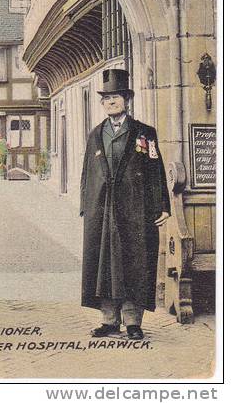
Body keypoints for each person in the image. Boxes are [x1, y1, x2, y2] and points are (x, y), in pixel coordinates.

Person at [79, 68, 170, 340]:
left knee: (134, 262)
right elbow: (87, 172)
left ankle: (133, 322)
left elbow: (156, 170)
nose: (111, 102)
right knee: (104, 264)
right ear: (102, 103)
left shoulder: (145, 133)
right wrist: (86, 204)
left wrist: (162, 205)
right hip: (103, 211)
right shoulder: (95, 134)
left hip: (135, 211)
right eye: (106, 98)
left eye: (116, 97)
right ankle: (108, 320)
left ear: (127, 99)